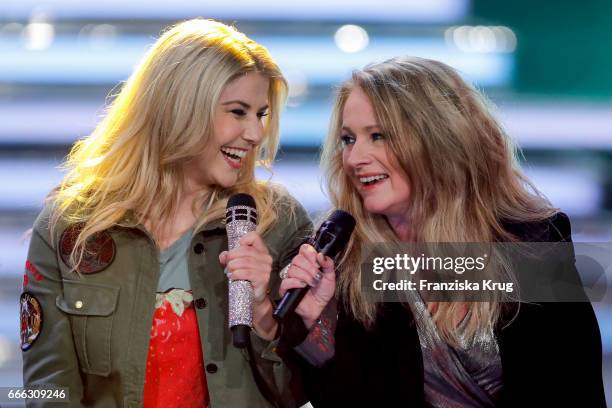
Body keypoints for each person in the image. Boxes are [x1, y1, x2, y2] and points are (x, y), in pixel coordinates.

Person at [278, 56, 606, 407]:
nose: (356, 158)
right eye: (348, 139)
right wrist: (318, 325)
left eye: (378, 136)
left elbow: (575, 390)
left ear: (438, 139)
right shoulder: (347, 260)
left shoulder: (530, 243)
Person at [21, 19, 312, 407]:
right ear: (179, 108)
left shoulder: (279, 223)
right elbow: (45, 388)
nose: (256, 134)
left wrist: (262, 314)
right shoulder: (69, 226)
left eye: (261, 114)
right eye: (238, 112)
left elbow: (298, 392)